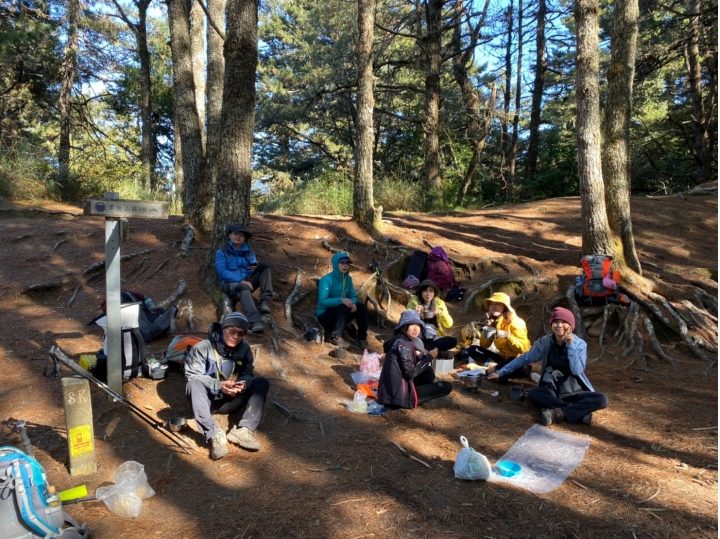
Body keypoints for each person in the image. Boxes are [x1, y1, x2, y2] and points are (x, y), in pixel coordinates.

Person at [487, 307, 608, 426]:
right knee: (534, 393)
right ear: (551, 325)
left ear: (571, 326)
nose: (559, 325)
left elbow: (577, 370)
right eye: (556, 322)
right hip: (552, 390)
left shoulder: (580, 344)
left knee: (601, 399)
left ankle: (558, 412)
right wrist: (502, 372)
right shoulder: (545, 342)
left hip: (575, 392)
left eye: (564, 322)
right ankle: (577, 413)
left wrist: (570, 345)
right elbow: (525, 358)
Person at [185, 312, 270, 459]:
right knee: (193, 384)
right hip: (207, 401)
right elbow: (193, 375)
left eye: (241, 333)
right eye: (232, 331)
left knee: (262, 383)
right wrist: (219, 385)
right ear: (223, 328)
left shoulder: (244, 349)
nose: (235, 336)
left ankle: (243, 430)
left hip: (232, 399)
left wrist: (243, 384)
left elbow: (248, 373)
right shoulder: (203, 348)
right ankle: (214, 435)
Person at [377, 310, 453, 409]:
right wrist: (429, 358)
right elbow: (410, 374)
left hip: (389, 393)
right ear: (403, 327)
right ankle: (422, 397)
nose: (416, 328)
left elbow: (405, 362)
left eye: (418, 325)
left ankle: (424, 392)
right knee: (447, 386)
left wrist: (423, 356)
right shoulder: (403, 343)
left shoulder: (398, 340)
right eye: (412, 324)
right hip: (399, 397)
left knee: (427, 370)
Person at [215, 223, 273, 334]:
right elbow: (221, 271)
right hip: (230, 284)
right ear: (229, 236)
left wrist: (255, 269)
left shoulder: (250, 253)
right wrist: (240, 280)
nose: (238, 236)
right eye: (235, 234)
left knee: (264, 267)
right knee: (244, 288)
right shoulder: (222, 252)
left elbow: (253, 269)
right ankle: (255, 321)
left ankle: (265, 301)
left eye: (242, 235)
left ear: (245, 238)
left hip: (247, 281)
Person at [465, 292, 531, 382]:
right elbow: (484, 345)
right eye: (491, 304)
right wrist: (489, 328)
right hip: (502, 359)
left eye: (497, 304)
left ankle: (487, 372)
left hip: (520, 363)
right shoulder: (496, 322)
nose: (493, 306)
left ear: (505, 307)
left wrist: (508, 336)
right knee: (473, 349)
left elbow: (522, 350)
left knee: (514, 360)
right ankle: (497, 369)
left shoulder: (516, 322)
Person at [316, 252, 370, 350]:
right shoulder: (327, 279)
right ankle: (335, 337)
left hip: (341, 314)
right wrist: (341, 300)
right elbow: (322, 301)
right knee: (345, 305)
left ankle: (362, 338)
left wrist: (353, 303)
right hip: (324, 315)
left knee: (360, 306)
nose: (345, 266)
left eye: (347, 263)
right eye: (342, 263)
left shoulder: (348, 279)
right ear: (336, 264)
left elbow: (353, 296)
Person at [406, 279, 457, 355]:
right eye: (425, 291)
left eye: (431, 291)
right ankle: (433, 351)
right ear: (421, 292)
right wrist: (415, 312)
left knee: (453, 340)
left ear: (434, 293)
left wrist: (441, 313)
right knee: (409, 339)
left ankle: (425, 351)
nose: (428, 294)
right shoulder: (414, 301)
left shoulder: (439, 303)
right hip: (419, 337)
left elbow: (449, 324)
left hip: (434, 338)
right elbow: (406, 319)